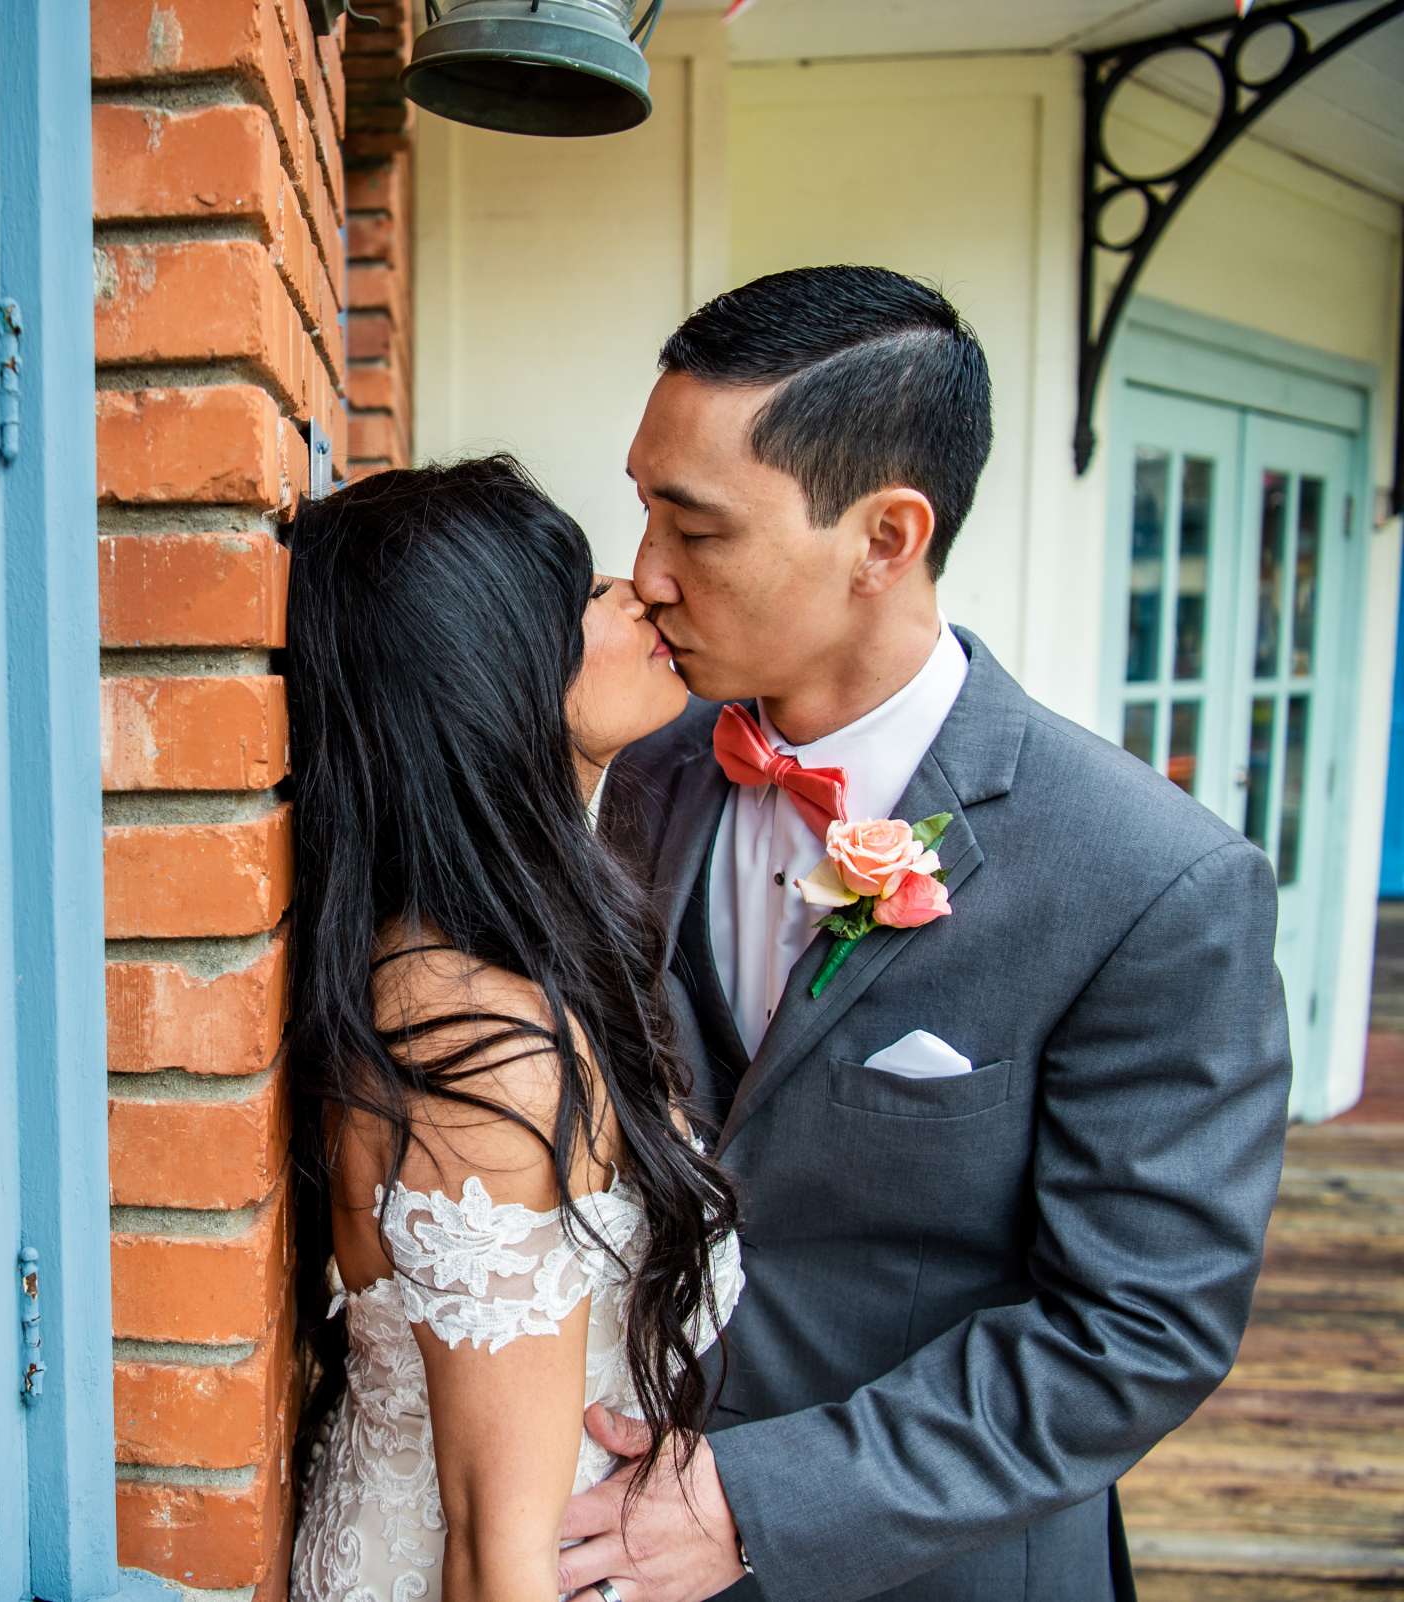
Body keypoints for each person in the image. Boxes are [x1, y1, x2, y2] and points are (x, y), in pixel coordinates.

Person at [566, 266, 1291, 1602]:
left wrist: (758, 1502)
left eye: (698, 528)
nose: (647, 573)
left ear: (888, 536)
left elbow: (1133, 1327)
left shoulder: (1153, 881)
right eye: (642, 505)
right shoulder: (634, 771)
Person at [282, 456, 746, 1602]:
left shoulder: (499, 951)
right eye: (589, 593)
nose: (641, 593)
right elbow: (497, 1549)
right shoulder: (485, 1035)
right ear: (488, 674)